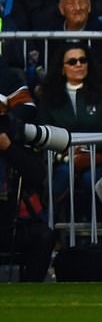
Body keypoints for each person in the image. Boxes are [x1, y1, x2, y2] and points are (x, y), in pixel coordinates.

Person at [38, 42, 102, 222]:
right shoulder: (49, 96)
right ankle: (47, 229)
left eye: (83, 60)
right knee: (63, 174)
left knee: (91, 178)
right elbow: (45, 132)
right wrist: (67, 152)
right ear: (62, 68)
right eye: (72, 61)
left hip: (99, 159)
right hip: (62, 159)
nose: (78, 65)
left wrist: (88, 152)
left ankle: (100, 233)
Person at [0, 56, 55, 282]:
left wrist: (8, 146)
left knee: (43, 235)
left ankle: (32, 291)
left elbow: (37, 174)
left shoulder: (10, 136)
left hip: (10, 219)